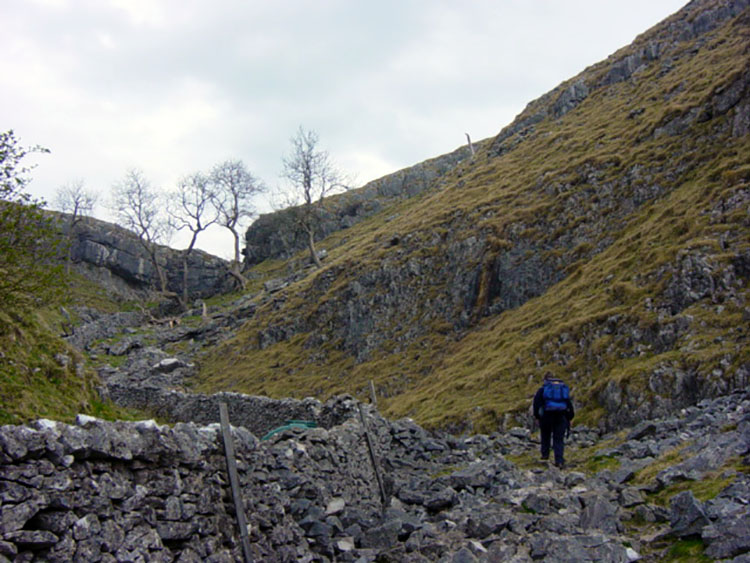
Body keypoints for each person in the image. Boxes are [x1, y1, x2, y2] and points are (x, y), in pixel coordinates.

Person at [533, 373, 574, 468]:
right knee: (558, 439)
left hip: (546, 417)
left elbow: (536, 404)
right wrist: (569, 418)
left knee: (545, 436)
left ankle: (545, 456)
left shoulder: (542, 390)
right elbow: (568, 404)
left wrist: (537, 417)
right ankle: (559, 460)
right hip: (561, 416)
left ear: (545, 380)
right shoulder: (562, 389)